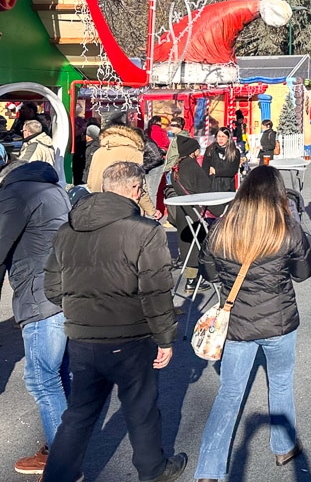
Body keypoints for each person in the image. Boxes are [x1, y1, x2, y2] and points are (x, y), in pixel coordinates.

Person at [43, 161, 187, 482]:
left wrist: (81, 309)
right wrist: (165, 338)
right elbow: (156, 290)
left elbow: (52, 288)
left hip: (82, 337)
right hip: (131, 337)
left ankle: (58, 475)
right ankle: (152, 469)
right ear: (136, 190)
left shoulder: (67, 230)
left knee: (79, 414)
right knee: (141, 408)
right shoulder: (145, 231)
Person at [193, 165, 311, 482]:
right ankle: (283, 446)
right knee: (281, 382)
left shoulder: (223, 227)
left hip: (237, 324)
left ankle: (209, 469)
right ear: (278, 193)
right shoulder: (286, 227)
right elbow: (303, 273)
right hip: (279, 320)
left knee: (229, 393)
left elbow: (207, 271)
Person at [0, 153, 71, 475]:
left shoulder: (15, 194)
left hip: (39, 296)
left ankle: (62, 463)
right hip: (66, 292)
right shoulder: (53, 188)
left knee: (42, 379)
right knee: (58, 375)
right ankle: (56, 446)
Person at [170, 135, 216, 294]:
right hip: (198, 211)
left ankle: (191, 280)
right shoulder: (192, 166)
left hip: (184, 212)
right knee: (200, 243)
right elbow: (206, 189)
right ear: (193, 151)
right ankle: (207, 274)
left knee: (188, 245)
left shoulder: (176, 168)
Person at [87, 123, 160, 219]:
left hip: (100, 202)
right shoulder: (134, 152)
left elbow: (90, 182)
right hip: (125, 206)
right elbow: (139, 186)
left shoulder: (99, 152)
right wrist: (151, 211)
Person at [202, 127, 242, 193]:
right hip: (212, 186)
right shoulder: (210, 150)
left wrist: (216, 171)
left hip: (228, 186)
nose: (220, 139)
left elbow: (233, 170)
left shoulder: (234, 151)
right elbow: (205, 168)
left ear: (228, 138)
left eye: (223, 136)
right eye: (219, 136)